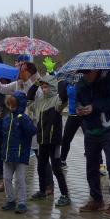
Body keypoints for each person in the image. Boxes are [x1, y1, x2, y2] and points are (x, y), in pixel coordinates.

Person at [74, 69, 110, 217]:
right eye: (83, 73)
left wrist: (94, 107)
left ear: (96, 70)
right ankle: (96, 199)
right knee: (91, 166)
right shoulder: (81, 82)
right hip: (91, 129)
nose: (86, 76)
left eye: (88, 73)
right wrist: (79, 108)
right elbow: (78, 100)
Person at [27, 76, 71, 207]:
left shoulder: (57, 100)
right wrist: (35, 84)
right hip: (42, 140)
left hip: (54, 141)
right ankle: (42, 191)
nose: (43, 89)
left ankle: (65, 195)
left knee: (56, 168)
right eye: (42, 87)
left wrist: (61, 81)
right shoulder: (39, 102)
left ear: (52, 87)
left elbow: (64, 98)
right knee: (41, 166)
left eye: (46, 87)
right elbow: (29, 99)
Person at [0, 93, 36, 214]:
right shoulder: (7, 118)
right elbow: (3, 134)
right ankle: (10, 200)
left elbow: (32, 131)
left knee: (20, 179)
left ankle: (22, 203)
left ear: (19, 105)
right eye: (9, 104)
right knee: (6, 179)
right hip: (7, 155)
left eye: (13, 105)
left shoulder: (24, 118)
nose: (10, 107)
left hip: (20, 155)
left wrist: (24, 122)